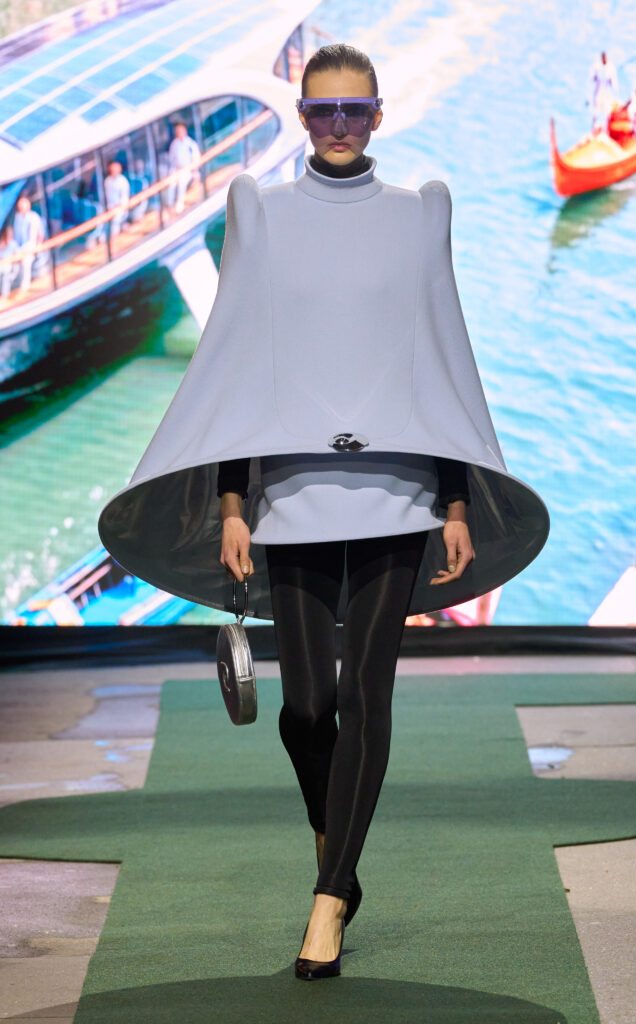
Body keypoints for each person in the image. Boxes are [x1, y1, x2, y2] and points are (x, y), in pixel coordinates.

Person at [98, 44, 549, 983]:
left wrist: (454, 500)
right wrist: (232, 502)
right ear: (302, 117)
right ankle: (332, 837)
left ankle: (329, 894)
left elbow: (437, 358)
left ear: (378, 114)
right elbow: (237, 366)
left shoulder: (417, 215)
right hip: (290, 494)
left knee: (363, 695)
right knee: (305, 708)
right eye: (321, 111)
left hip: (399, 492)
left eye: (353, 109)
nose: (337, 125)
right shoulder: (260, 215)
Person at [13, 194, 46, 292]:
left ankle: (25, 284)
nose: (23, 206)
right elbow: (16, 235)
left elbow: (40, 233)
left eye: (25, 203)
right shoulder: (17, 218)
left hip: (31, 245)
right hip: (19, 246)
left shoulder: (33, 217)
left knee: (26, 260)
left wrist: (38, 245)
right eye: (21, 204)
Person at [167, 122, 200, 213]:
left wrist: (194, 171)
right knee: (171, 183)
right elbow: (171, 159)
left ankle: (179, 205)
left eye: (180, 130)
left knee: (182, 183)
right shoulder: (174, 144)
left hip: (188, 170)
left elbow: (196, 158)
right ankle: (170, 205)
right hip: (177, 170)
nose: (179, 132)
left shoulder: (191, 143)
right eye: (177, 131)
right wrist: (175, 169)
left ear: (185, 131)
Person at [587, 51, 619, 134]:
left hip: (607, 92)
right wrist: (588, 98)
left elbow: (614, 82)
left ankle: (606, 131)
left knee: (607, 112)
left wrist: (611, 81)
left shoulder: (611, 67)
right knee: (596, 112)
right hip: (598, 92)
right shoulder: (597, 66)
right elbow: (591, 79)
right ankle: (593, 131)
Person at [103, 160, 130, 238]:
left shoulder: (123, 181)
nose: (114, 170)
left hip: (119, 207)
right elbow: (106, 196)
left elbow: (124, 198)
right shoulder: (107, 181)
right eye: (112, 169)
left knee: (116, 218)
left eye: (116, 169)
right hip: (109, 206)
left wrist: (118, 207)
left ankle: (114, 236)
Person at [0, 223, 20, 299]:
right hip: (2, 266)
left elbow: (18, 256)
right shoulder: (1, 245)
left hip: (10, 267)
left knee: (6, 274)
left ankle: (5, 295)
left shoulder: (13, 244)